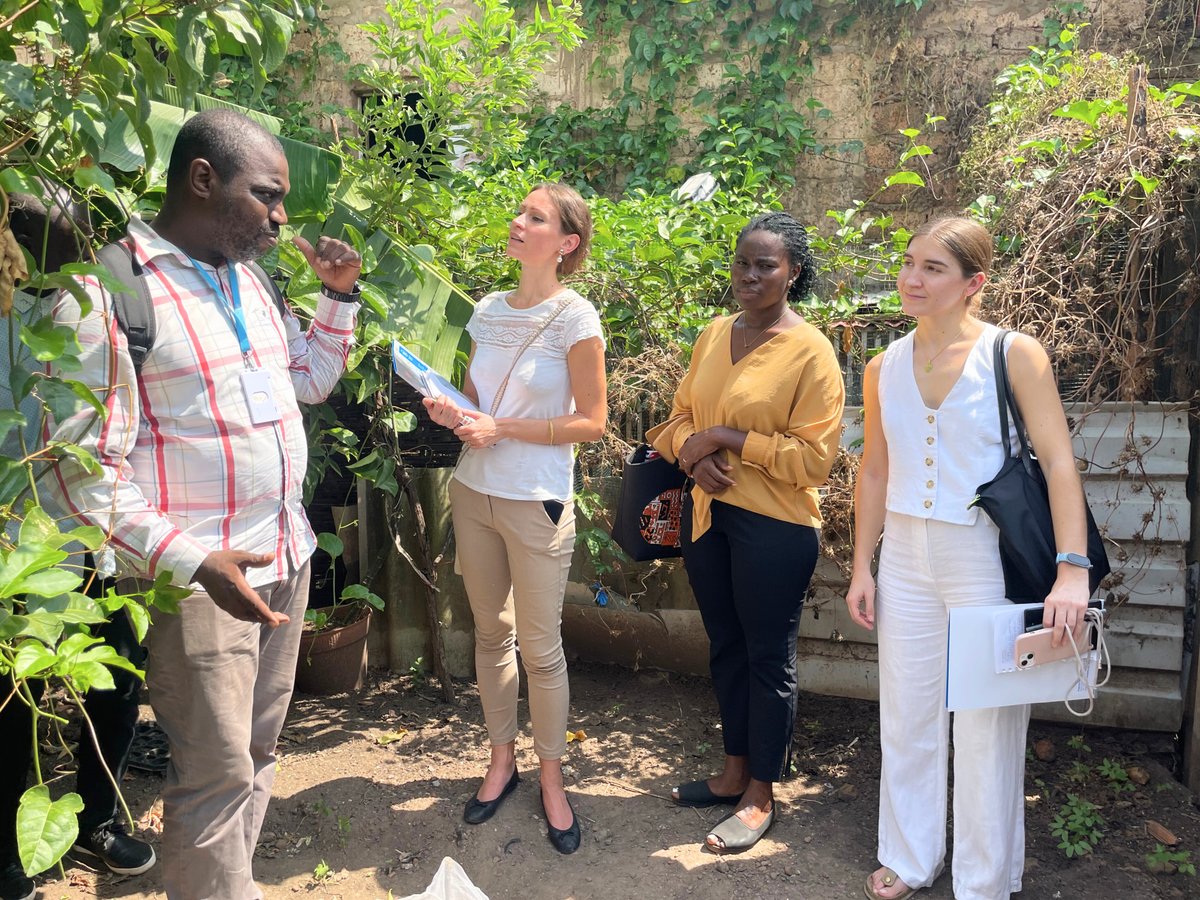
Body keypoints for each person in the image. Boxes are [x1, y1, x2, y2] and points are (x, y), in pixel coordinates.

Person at [43, 108, 362, 899]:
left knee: (255, 760)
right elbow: (79, 477)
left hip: (280, 558)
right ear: (203, 179)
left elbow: (308, 381)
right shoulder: (107, 294)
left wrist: (339, 300)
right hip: (200, 583)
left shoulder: (246, 278)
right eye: (269, 196)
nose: (283, 217)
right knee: (214, 779)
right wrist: (193, 560)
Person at [845, 216, 1093, 900]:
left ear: (973, 283)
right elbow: (873, 468)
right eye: (907, 262)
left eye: (932, 268)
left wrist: (1073, 568)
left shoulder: (1013, 354)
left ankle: (983, 881)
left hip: (983, 553)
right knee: (907, 710)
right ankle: (911, 853)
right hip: (904, 553)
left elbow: (1060, 463)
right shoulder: (882, 363)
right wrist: (863, 563)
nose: (911, 279)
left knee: (987, 722)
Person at [647, 211, 845, 853]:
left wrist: (731, 438)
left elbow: (814, 461)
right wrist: (693, 454)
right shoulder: (711, 335)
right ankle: (733, 771)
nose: (750, 275)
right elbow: (676, 420)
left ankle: (762, 792)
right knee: (726, 646)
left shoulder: (811, 351)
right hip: (708, 518)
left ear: (793, 274)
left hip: (775, 525)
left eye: (767, 265)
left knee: (767, 657)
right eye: (743, 262)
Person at [423, 182, 605, 855]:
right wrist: (451, 410)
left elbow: (594, 420)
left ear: (566, 243)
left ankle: (552, 779)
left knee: (541, 646)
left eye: (536, 217)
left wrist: (503, 427)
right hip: (474, 492)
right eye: (518, 212)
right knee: (490, 637)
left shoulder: (575, 317)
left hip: (536, 501)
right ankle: (502, 761)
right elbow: (475, 403)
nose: (517, 221)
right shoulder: (488, 311)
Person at [1, 191, 154, 900]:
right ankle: (9, 850)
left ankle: (95, 817)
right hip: (15, 547)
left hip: (93, 538)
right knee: (12, 700)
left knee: (118, 680)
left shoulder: (102, 307)